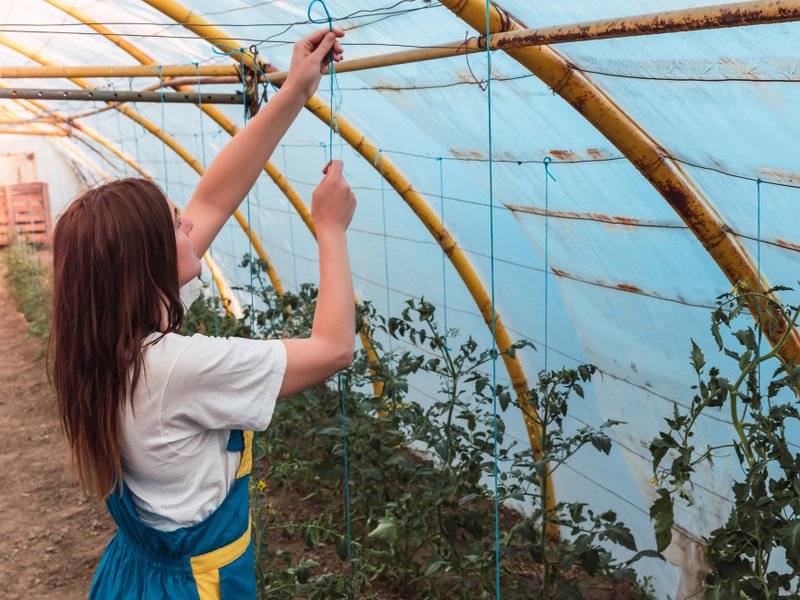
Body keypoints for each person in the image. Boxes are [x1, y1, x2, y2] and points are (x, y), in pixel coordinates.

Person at [49, 28, 353, 599]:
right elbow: (334, 348)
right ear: (147, 266)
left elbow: (214, 198)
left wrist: (293, 92)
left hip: (133, 573)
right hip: (195, 586)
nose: (189, 224)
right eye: (174, 226)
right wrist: (331, 229)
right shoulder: (173, 370)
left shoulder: (110, 341)